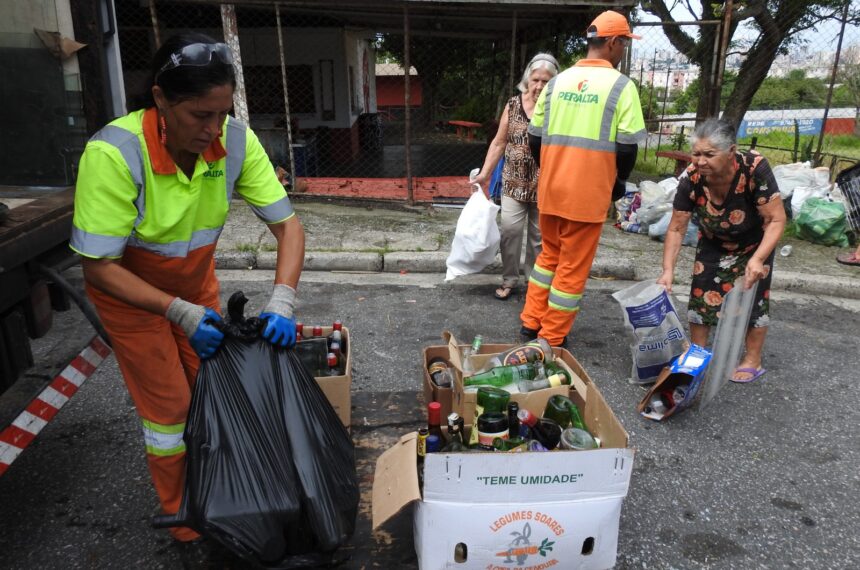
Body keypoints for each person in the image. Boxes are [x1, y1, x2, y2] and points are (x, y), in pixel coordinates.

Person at [70, 33, 305, 544]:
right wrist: (175, 312)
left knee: (214, 392)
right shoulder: (114, 154)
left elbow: (289, 227)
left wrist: (283, 300)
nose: (213, 129)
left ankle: (225, 493)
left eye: (222, 114)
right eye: (200, 115)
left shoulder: (236, 141)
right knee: (171, 415)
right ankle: (187, 523)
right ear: (159, 99)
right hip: (132, 299)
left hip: (195, 290)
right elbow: (98, 269)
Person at [520, 11, 646, 347]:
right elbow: (627, 146)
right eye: (624, 44)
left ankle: (531, 322)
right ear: (614, 43)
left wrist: (549, 171)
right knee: (572, 268)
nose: (623, 51)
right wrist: (619, 183)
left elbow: (534, 137)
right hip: (587, 194)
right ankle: (552, 336)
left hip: (551, 189)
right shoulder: (622, 86)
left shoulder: (558, 82)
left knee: (548, 258)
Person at [657, 119, 786, 383]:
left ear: (731, 151)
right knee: (701, 293)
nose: (700, 161)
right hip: (713, 241)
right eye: (696, 154)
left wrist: (758, 259)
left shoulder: (754, 168)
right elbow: (677, 228)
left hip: (754, 242)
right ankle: (698, 353)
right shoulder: (692, 178)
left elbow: (776, 219)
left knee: (754, 298)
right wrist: (667, 270)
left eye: (708, 154)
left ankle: (752, 359)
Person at [474, 53, 559, 300]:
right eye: (535, 80)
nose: (539, 86)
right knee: (510, 232)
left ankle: (535, 284)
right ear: (527, 80)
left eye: (546, 81)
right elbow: (499, 142)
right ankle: (510, 279)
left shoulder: (559, 108)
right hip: (514, 183)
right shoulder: (513, 105)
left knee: (538, 239)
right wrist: (484, 174)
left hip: (545, 185)